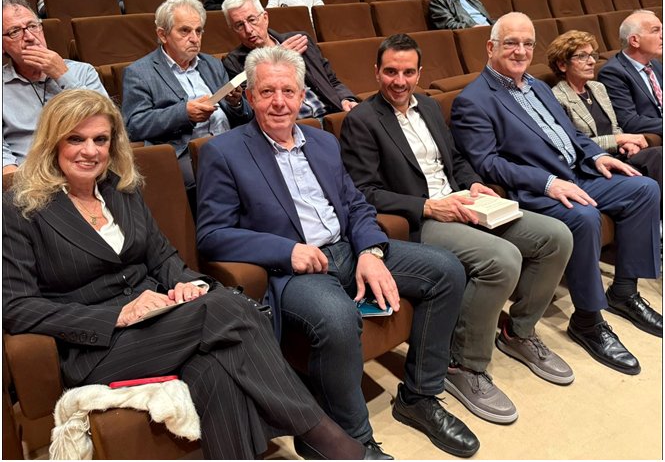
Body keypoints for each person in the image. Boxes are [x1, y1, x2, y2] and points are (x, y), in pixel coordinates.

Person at [3, 88, 375, 462]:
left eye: (100, 140)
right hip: (98, 347)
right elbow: (16, 307)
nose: (90, 151)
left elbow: (163, 257)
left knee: (214, 368)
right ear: (52, 141)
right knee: (228, 308)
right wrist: (117, 315)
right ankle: (328, 440)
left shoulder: (120, 188)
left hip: (160, 322)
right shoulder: (20, 207)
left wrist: (187, 283)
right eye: (75, 139)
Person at [196, 45, 479, 459]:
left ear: (302, 95)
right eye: (268, 92)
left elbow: (357, 206)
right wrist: (286, 250)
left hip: (348, 249)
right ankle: (353, 442)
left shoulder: (323, 141)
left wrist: (371, 252)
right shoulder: (223, 151)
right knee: (339, 318)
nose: (279, 102)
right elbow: (212, 234)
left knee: (447, 270)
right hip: (293, 272)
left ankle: (419, 397)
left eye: (288, 91)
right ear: (252, 96)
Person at [341, 34, 574, 424]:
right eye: (391, 72)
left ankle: (518, 333)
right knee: (502, 259)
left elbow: (456, 160)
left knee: (556, 237)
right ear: (376, 72)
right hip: (422, 220)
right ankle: (462, 364)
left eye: (408, 72)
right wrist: (428, 206)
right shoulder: (361, 121)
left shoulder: (430, 107)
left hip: (463, 202)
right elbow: (364, 191)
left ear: (419, 73)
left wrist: (474, 183)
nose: (399, 81)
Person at [450, 12, 662, 374]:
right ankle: (588, 320)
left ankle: (624, 292)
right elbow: (488, 163)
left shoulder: (538, 87)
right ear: (490, 47)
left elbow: (572, 135)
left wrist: (597, 156)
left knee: (644, 188)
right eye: (511, 43)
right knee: (584, 217)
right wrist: (548, 182)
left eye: (527, 43)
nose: (520, 51)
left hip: (578, 173)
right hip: (536, 189)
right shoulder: (473, 99)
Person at [122, 0, 253, 193]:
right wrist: (184, 114)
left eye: (198, 31)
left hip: (230, 141)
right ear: (163, 35)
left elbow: (245, 115)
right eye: (185, 31)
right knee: (229, 179)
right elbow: (134, 126)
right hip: (185, 153)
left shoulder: (212, 64)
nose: (195, 38)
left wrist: (236, 103)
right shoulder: (139, 72)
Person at [2, 0, 107, 173]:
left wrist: (63, 76)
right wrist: (13, 182)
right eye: (15, 32)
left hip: (88, 168)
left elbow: (109, 123)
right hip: (29, 177)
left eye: (33, 26)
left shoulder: (83, 72)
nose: (30, 37)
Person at [548, 30, 661, 190]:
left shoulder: (597, 88)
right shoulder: (557, 97)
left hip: (618, 155)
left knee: (657, 155)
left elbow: (615, 127)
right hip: (592, 164)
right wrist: (619, 140)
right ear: (562, 65)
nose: (592, 61)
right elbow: (574, 144)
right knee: (656, 157)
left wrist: (627, 144)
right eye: (582, 56)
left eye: (592, 55)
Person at [222, 0, 358, 120]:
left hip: (332, 113)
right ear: (233, 30)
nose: (248, 30)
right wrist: (279, 56)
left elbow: (330, 79)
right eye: (239, 25)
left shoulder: (300, 40)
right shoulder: (234, 62)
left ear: (265, 18)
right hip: (292, 125)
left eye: (252, 20)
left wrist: (346, 99)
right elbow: (252, 108)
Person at [597, 10, 662, 137]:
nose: (661, 35)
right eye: (655, 30)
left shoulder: (655, 64)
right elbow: (630, 122)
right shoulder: (612, 73)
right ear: (634, 41)